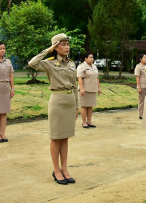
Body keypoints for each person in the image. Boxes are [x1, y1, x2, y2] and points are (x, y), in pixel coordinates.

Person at [29, 33, 78, 185]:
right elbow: (32, 63)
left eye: (68, 44)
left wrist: (77, 105)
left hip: (70, 101)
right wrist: (48, 50)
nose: (67, 47)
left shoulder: (72, 64)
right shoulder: (49, 63)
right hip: (57, 101)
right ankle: (56, 170)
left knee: (65, 137)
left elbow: (75, 86)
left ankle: (64, 168)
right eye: (63, 44)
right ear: (56, 47)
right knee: (56, 137)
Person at [77, 51, 101, 128]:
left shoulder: (94, 66)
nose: (92, 59)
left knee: (90, 106)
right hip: (85, 89)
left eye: (92, 57)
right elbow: (79, 78)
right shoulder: (82, 66)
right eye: (90, 57)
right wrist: (82, 89)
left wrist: (98, 88)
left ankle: (89, 121)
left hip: (92, 89)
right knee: (84, 106)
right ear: (85, 58)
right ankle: (84, 122)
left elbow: (97, 78)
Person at [134, 54, 146, 119]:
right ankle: (141, 114)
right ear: (140, 59)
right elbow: (137, 77)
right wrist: (139, 87)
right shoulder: (138, 66)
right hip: (142, 86)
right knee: (141, 100)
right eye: (144, 57)